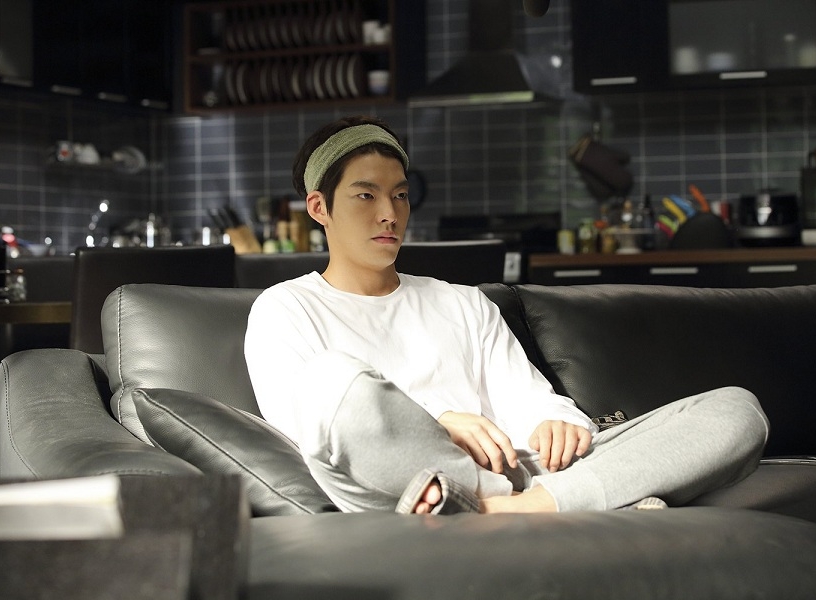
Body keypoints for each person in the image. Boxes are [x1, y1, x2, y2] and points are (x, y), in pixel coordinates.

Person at [244, 115, 770, 515]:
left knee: (737, 410)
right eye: (366, 195)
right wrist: (437, 424)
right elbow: (311, 432)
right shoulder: (285, 308)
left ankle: (517, 509)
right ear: (320, 208)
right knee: (334, 382)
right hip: (410, 479)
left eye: (400, 196)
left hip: (518, 474)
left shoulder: (462, 302)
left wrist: (557, 423)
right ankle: (588, 501)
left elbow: (530, 401)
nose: (390, 214)